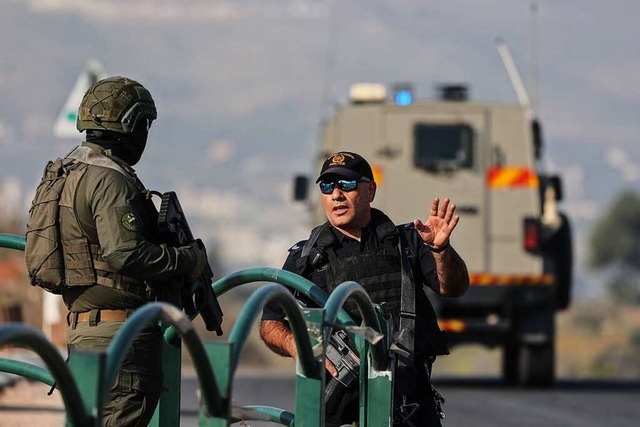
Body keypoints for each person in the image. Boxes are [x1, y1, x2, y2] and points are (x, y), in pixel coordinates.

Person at [260, 151, 470, 426]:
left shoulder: (406, 242)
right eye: (327, 186)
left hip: (406, 395)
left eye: (345, 184)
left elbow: (453, 287)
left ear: (370, 190)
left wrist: (440, 250)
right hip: (339, 398)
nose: (335, 194)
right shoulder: (306, 257)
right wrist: (298, 345)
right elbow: (270, 323)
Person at [58, 76, 207, 426]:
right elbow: (125, 254)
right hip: (121, 338)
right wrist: (187, 260)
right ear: (130, 125)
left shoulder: (68, 171)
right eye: (144, 124)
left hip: (84, 329)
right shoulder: (110, 178)